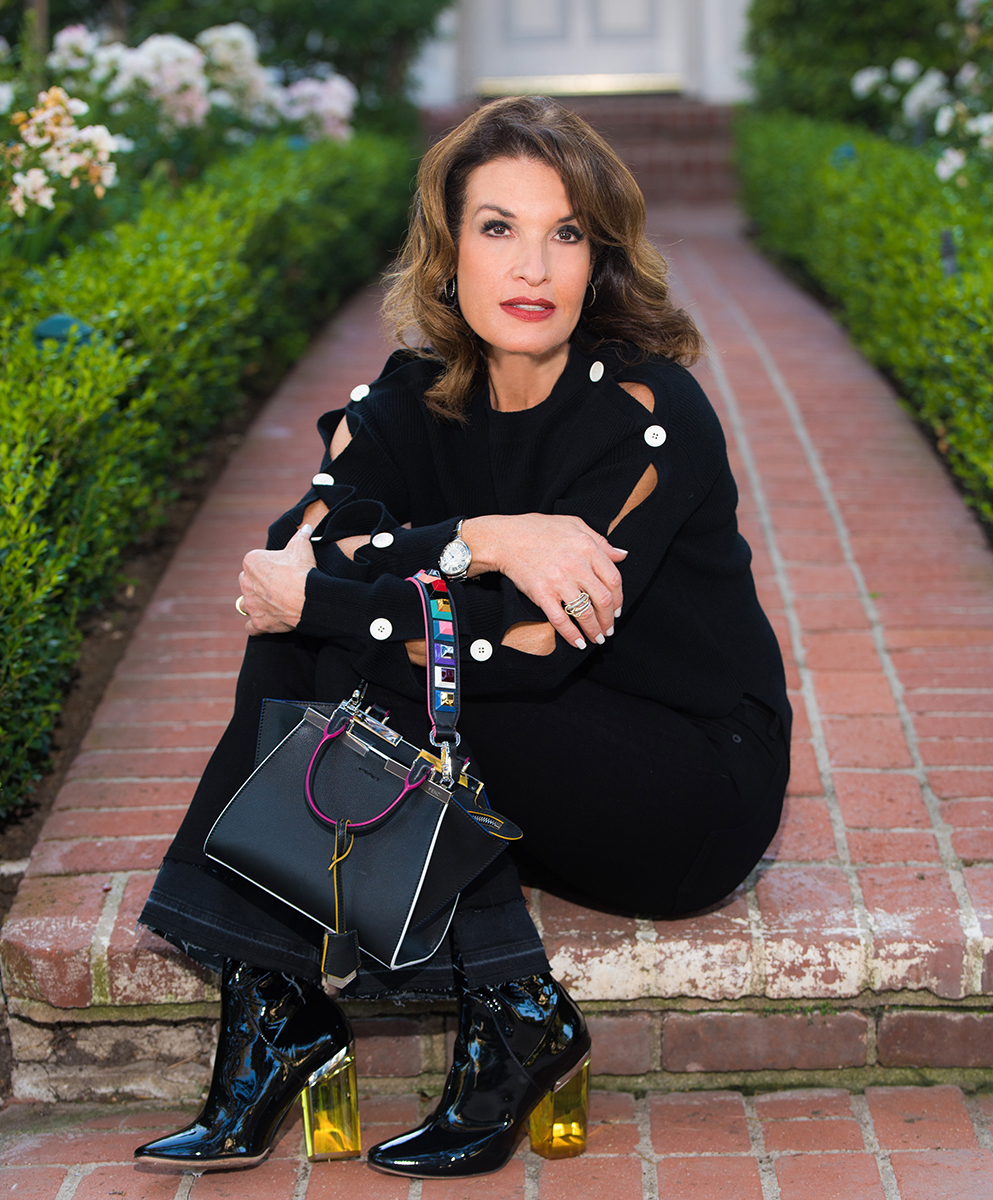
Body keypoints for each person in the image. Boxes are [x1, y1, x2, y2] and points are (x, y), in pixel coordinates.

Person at [134, 94, 790, 1179]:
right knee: (347, 630)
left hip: (682, 785)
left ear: (601, 260)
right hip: (529, 760)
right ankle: (341, 1003)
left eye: (565, 232)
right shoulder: (414, 392)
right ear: (449, 254)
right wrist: (481, 535)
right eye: (498, 227)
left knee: (375, 646)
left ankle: (347, 1008)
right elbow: (298, 547)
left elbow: (531, 646)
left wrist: (367, 584)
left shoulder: (647, 413)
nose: (532, 265)